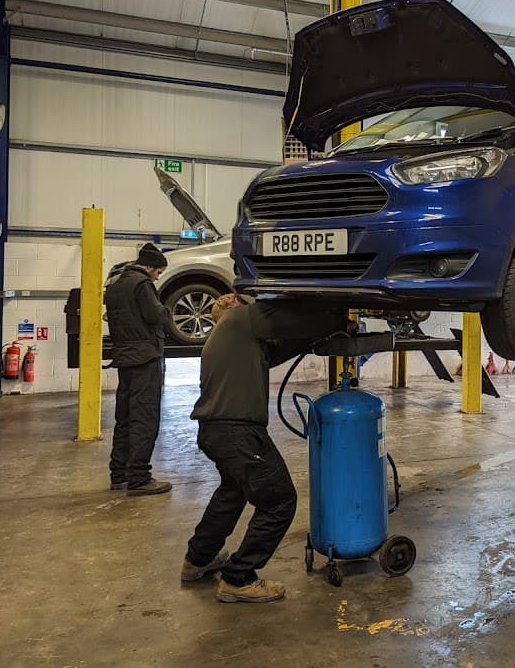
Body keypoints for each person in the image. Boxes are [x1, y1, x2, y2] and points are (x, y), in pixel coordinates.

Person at [181, 293, 349, 603]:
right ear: (227, 311)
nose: (236, 297)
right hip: (238, 432)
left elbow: (283, 346)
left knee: (233, 492)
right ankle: (238, 578)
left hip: (217, 431)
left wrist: (318, 334)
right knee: (280, 500)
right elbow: (291, 319)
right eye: (229, 298)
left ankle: (198, 559)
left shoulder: (237, 342)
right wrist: (339, 313)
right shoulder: (236, 320)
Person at [105, 243, 173, 496]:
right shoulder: (142, 284)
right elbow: (157, 316)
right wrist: (166, 311)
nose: (157, 277)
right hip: (145, 358)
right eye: (158, 272)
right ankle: (139, 478)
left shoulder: (116, 283)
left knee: (124, 418)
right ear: (150, 266)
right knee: (144, 418)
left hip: (124, 357)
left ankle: (119, 474)